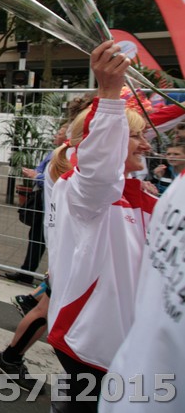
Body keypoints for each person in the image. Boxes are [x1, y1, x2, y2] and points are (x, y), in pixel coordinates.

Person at [45, 40, 155, 411]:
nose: (146, 146)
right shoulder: (85, 192)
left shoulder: (140, 197)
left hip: (125, 344)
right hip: (91, 345)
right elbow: (99, 170)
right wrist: (109, 95)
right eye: (137, 136)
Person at [102, 156, 185, 412]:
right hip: (135, 383)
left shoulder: (170, 192)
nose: (147, 145)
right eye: (136, 137)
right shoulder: (176, 191)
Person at [5, 123, 69, 284]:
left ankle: (50, 280)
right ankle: (27, 272)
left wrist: (37, 177)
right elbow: (41, 169)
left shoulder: (67, 156)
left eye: (59, 133)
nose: (55, 135)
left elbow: (57, 179)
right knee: (36, 236)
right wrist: (37, 175)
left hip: (54, 205)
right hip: (43, 201)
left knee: (51, 240)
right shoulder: (54, 152)